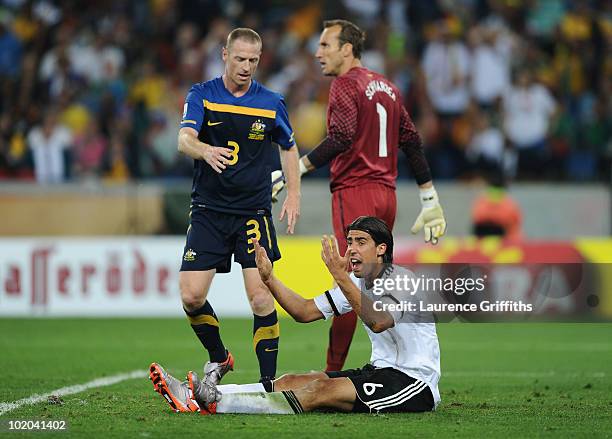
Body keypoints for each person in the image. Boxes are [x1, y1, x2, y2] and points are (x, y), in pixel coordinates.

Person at [149, 216, 441, 414]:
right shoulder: (357, 284)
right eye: (349, 241)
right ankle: (195, 393)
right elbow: (303, 311)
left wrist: (340, 278)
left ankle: (215, 402)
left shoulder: (403, 280)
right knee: (292, 380)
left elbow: (378, 321)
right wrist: (269, 279)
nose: (351, 249)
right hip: (379, 371)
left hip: (413, 383)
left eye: (360, 242)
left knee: (321, 390)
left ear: (381, 249)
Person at [297, 19, 446, 371]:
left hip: (356, 190)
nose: (318, 53)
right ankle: (394, 362)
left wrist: (297, 169)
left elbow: (342, 137)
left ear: (347, 49)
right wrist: (428, 195)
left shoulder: (345, 85)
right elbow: (410, 138)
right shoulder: (388, 87)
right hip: (386, 194)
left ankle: (332, 373)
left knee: (349, 283)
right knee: (375, 282)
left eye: (325, 46)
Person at [176, 27, 301, 390]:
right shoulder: (202, 94)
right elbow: (184, 139)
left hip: (253, 211)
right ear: (224, 55)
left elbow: (289, 147)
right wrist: (205, 150)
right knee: (191, 295)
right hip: (209, 209)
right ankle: (219, 358)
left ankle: (267, 385)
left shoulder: (272, 101)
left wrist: (293, 193)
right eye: (240, 58)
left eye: (254, 60)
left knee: (261, 295)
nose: (247, 66)